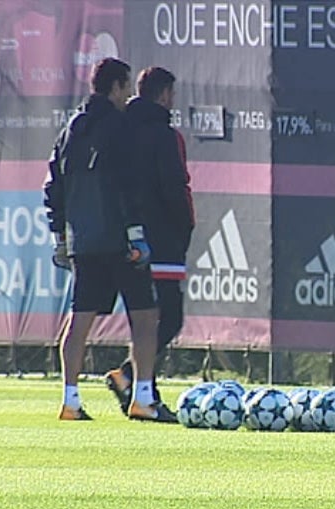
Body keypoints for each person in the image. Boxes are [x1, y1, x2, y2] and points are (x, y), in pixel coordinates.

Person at [43, 57, 171, 422]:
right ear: (115, 87)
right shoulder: (120, 126)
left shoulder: (71, 128)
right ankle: (143, 398)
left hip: (84, 241)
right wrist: (135, 233)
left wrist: (60, 236)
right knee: (145, 318)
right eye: (126, 86)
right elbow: (127, 183)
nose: (129, 93)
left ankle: (70, 400)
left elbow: (54, 185)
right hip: (120, 240)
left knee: (79, 319)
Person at [105, 66, 194, 416]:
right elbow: (175, 187)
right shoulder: (164, 134)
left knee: (144, 318)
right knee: (167, 318)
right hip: (162, 238)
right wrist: (184, 225)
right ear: (163, 95)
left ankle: (145, 392)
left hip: (126, 235)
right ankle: (128, 376)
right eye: (171, 94)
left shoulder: (120, 129)